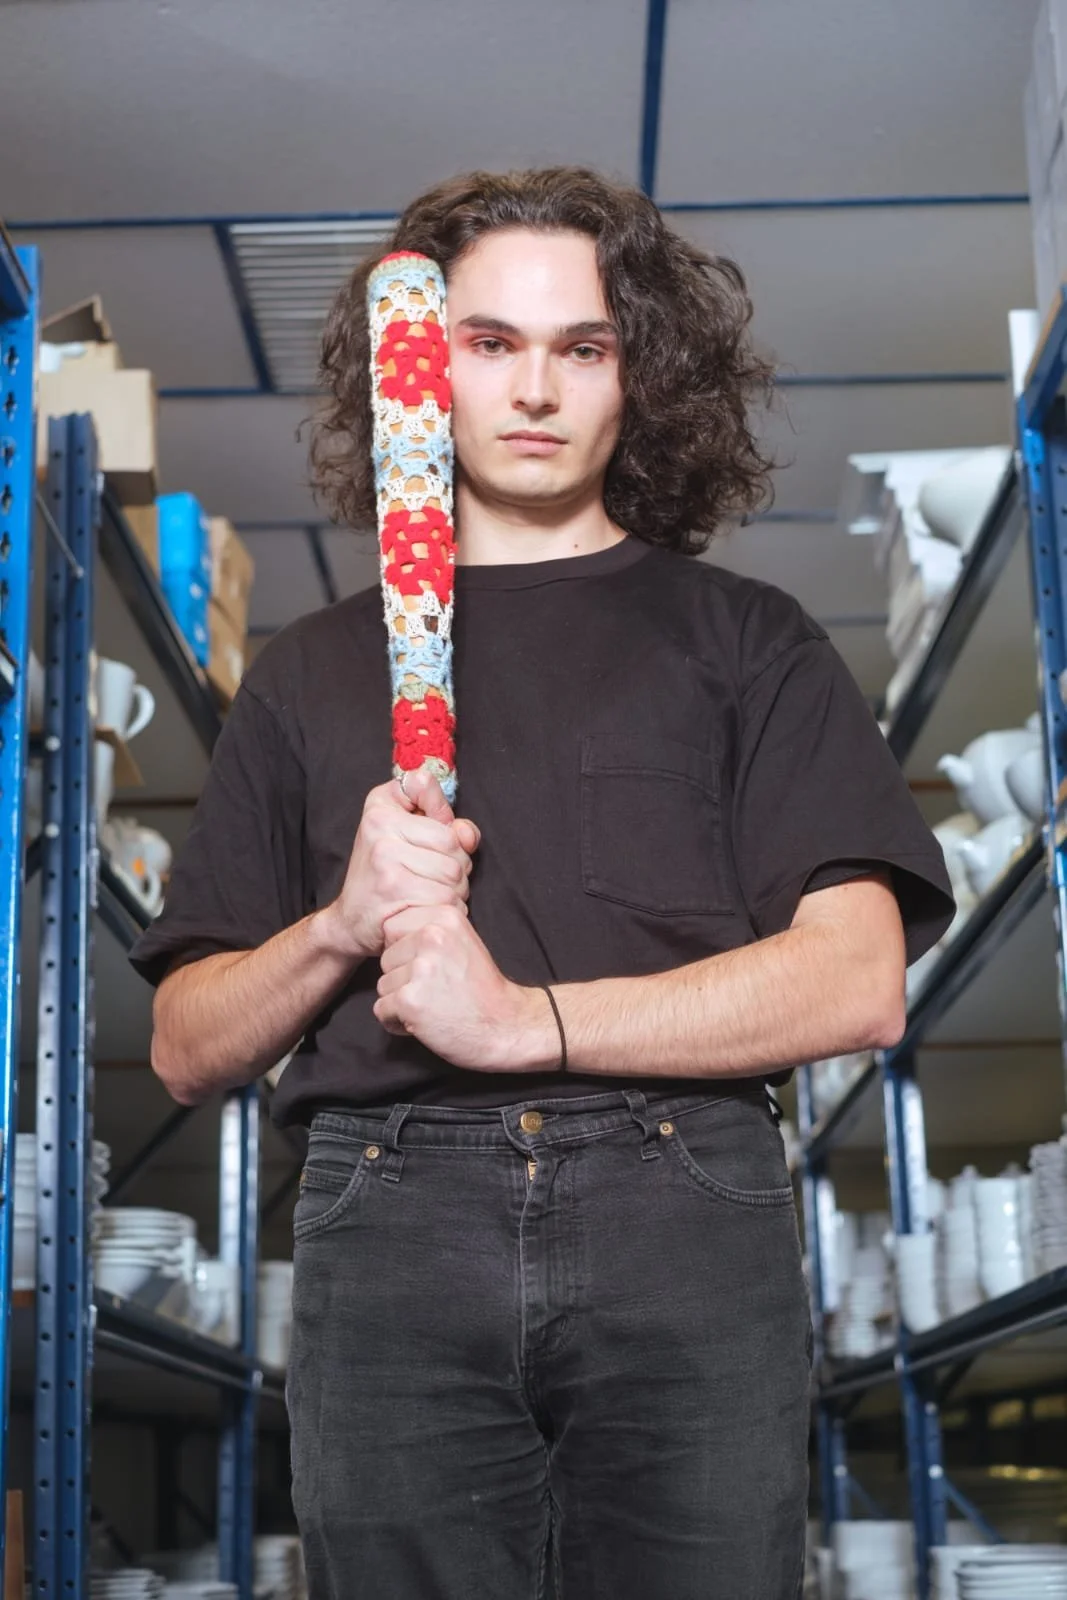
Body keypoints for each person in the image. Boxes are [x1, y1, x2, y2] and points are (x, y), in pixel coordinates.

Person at [129, 166, 954, 1600]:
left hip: (680, 1204)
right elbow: (186, 1047)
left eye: (584, 346)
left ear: (642, 377)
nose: (533, 389)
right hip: (388, 1216)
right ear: (420, 369)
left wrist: (529, 1022)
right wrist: (342, 922)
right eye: (489, 342)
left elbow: (858, 978)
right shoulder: (309, 674)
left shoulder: (746, 640)